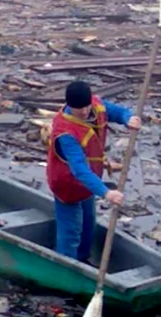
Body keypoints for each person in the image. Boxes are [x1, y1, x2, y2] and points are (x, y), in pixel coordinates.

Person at [46, 80, 141, 262]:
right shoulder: (65, 132)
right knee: (71, 231)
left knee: (88, 226)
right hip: (67, 186)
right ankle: (66, 267)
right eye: (78, 109)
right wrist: (106, 192)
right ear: (69, 106)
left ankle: (83, 261)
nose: (83, 112)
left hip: (89, 184)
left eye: (85, 106)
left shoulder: (96, 106)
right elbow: (79, 170)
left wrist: (128, 118)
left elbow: (117, 112)